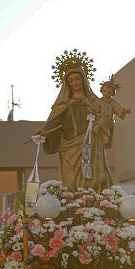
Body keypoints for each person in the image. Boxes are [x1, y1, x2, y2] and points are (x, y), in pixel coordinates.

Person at [40, 60, 112, 190]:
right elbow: (53, 123)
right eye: (71, 80)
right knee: (70, 181)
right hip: (69, 148)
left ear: (83, 79)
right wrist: (43, 133)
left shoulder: (94, 102)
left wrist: (101, 123)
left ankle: (94, 205)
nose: (75, 82)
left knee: (90, 181)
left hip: (91, 145)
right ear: (67, 83)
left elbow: (106, 118)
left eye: (77, 79)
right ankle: (72, 206)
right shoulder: (63, 105)